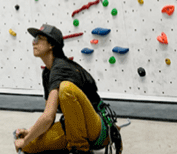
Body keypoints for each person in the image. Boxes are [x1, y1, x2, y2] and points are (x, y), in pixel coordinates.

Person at [14, 25, 122, 154]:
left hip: (99, 130)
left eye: (39, 38)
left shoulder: (61, 68)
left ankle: (80, 148)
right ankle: (75, 142)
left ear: (51, 45)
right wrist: (30, 132)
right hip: (75, 126)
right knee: (29, 147)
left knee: (66, 89)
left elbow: (48, 117)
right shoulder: (47, 73)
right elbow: (49, 115)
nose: (34, 42)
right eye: (34, 39)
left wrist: (25, 139)